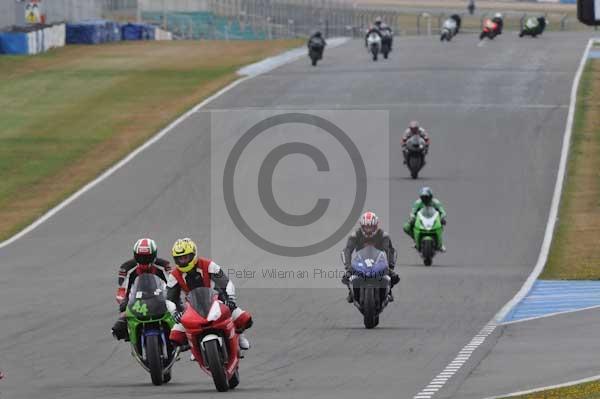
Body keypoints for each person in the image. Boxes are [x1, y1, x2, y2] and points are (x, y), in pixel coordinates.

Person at [167, 238, 253, 351]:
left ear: (194, 254)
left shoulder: (209, 265)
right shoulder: (174, 275)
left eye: (186, 257)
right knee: (175, 337)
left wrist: (231, 299)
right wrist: (174, 313)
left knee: (245, 319)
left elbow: (226, 282)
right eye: (180, 258)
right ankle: (195, 347)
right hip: (193, 306)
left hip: (218, 300)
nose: (183, 261)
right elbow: (169, 298)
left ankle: (239, 336)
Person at [111, 238, 172, 341]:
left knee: (179, 311)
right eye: (140, 257)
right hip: (135, 299)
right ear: (135, 255)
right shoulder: (126, 268)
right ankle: (131, 335)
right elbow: (122, 290)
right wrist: (122, 302)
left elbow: (172, 284)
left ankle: (181, 337)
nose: (144, 260)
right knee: (118, 328)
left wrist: (172, 298)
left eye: (147, 257)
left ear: (154, 255)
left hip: (160, 296)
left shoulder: (164, 265)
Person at [342, 211, 400, 303]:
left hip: (379, 261)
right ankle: (351, 292)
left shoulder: (384, 235)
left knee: (394, 277)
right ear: (362, 226)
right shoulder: (355, 235)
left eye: (371, 227)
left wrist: (390, 266)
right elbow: (347, 250)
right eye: (366, 227)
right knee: (346, 276)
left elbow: (390, 251)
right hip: (361, 261)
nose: (368, 230)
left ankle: (388, 291)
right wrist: (348, 266)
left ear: (376, 226)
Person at [403, 187, 447, 252]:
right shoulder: (418, 203)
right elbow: (412, 212)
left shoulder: (436, 202)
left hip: (434, 220)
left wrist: (442, 217)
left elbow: (442, 212)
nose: (425, 199)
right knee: (406, 227)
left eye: (427, 197)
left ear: (431, 196)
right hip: (421, 220)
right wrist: (412, 218)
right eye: (423, 197)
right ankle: (416, 240)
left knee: (441, 224)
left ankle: (440, 244)